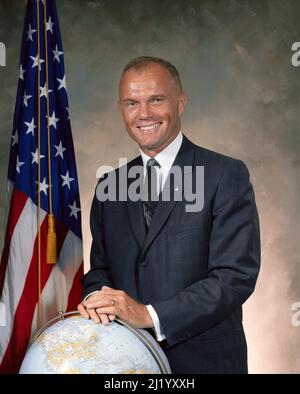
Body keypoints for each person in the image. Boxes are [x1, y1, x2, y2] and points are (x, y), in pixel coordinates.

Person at [78, 56, 261, 374]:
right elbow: (100, 271)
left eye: (156, 100)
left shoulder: (224, 174)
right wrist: (98, 298)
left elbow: (234, 277)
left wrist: (149, 315)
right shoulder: (110, 185)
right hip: (127, 364)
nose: (144, 114)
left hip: (206, 364)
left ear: (181, 102)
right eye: (132, 103)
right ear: (121, 110)